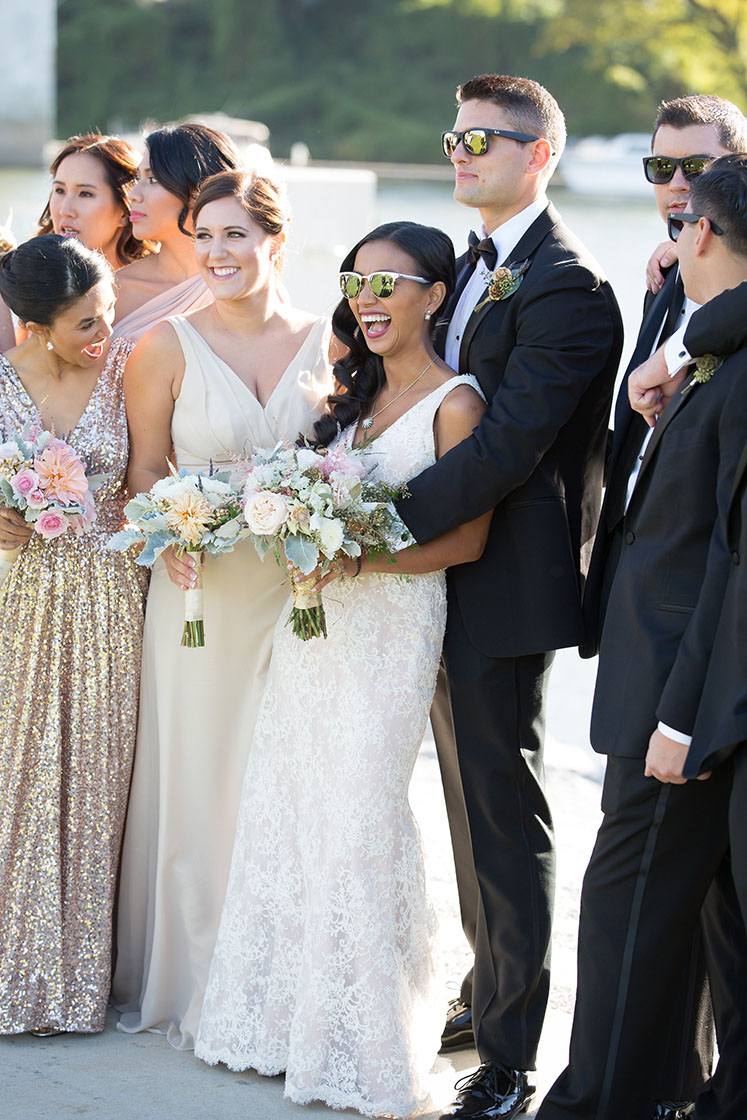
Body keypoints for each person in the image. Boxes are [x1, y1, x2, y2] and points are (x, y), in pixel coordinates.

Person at [194, 219, 490, 1118]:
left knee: (362, 815)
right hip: (313, 631)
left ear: (434, 296)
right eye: (355, 283)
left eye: (388, 284)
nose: (367, 300)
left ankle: (362, 1040)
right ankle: (280, 1026)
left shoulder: (457, 403)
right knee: (292, 806)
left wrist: (354, 561)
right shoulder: (349, 399)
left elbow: (467, 538)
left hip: (391, 630)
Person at [387, 75, 622, 1119]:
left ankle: (512, 1054)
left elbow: (508, 445)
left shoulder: (569, 285)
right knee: (463, 803)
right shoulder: (470, 263)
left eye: (480, 137)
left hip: (505, 582)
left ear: (540, 154)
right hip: (442, 572)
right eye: (452, 134)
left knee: (502, 812)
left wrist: (375, 523)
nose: (458, 150)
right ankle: (485, 991)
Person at [538, 154, 747, 1120]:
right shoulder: (706, 345)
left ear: (699, 232)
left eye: (679, 222)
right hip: (670, 692)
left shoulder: (738, 370)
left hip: (685, 704)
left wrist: (681, 717)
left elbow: (730, 569)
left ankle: (594, 1106)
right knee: (683, 919)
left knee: (626, 911)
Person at [112, 169, 333, 1051]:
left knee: (286, 782)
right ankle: (195, 975)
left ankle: (277, 976)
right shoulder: (165, 345)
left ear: (276, 240)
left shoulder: (331, 341)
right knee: (201, 779)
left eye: (236, 235)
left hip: (299, 595)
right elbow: (143, 471)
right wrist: (179, 525)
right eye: (204, 236)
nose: (217, 253)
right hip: (198, 595)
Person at [0, 235, 147, 1034]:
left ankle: (75, 986)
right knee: (15, 777)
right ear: (36, 325)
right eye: (87, 324)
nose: (104, 334)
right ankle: (13, 974)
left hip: (110, 598)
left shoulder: (128, 371)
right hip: (17, 603)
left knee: (95, 780)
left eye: (109, 313)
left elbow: (152, 472)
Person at [111, 123, 241, 341]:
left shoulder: (243, 285)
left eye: (152, 179)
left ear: (198, 190)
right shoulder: (113, 291)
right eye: (137, 179)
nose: (133, 194)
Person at [37, 132, 151, 269]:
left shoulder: (161, 288)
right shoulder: (23, 279)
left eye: (85, 194)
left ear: (125, 211)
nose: (65, 210)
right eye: (60, 190)